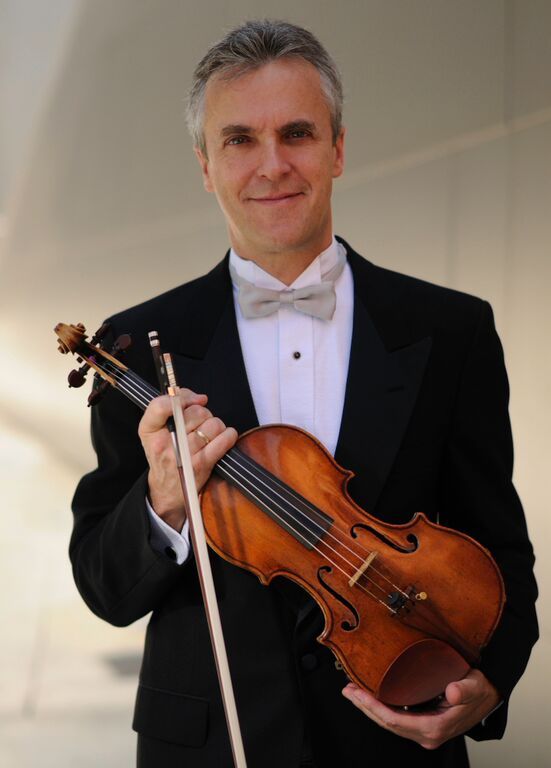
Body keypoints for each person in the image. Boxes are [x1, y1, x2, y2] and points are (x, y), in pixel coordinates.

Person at [70, 19, 538, 768]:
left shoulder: (451, 331)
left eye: (297, 133)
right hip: (208, 748)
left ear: (337, 149)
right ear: (206, 166)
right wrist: (162, 504)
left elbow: (500, 552)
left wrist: (491, 684)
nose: (272, 165)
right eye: (239, 140)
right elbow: (104, 585)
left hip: (395, 742)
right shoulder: (136, 346)